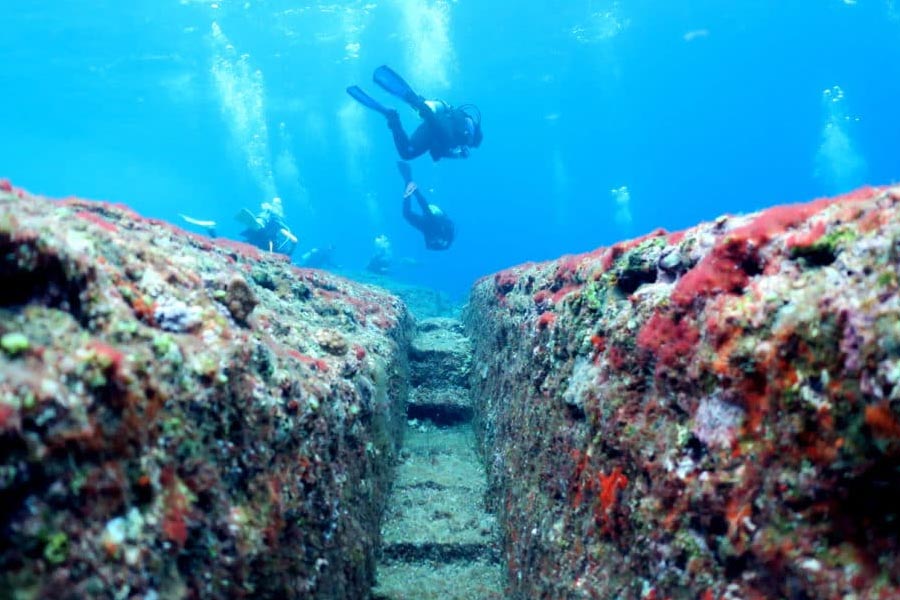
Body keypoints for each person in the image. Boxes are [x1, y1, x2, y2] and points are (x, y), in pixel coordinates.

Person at [347, 65, 482, 162]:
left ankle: (407, 110)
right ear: (472, 140)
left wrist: (454, 155)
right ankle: (412, 108)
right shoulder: (462, 136)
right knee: (408, 152)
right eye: (470, 145)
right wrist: (455, 153)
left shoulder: (461, 122)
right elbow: (443, 143)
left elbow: (436, 152)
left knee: (409, 150)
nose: (466, 146)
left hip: (434, 123)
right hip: (435, 124)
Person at [397, 161, 454, 250]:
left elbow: (429, 245)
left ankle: (408, 181)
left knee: (406, 214)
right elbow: (424, 205)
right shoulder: (441, 227)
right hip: (434, 219)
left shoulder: (434, 241)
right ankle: (409, 180)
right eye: (440, 241)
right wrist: (412, 187)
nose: (437, 241)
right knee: (423, 207)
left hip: (427, 226)